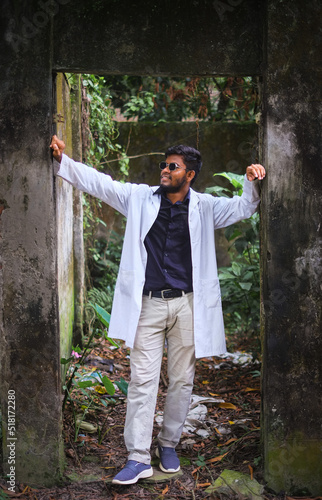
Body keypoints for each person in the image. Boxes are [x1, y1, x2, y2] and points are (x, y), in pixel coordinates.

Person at [50, 135, 265, 485]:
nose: (164, 170)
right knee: (142, 380)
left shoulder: (206, 207)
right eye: (164, 165)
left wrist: (251, 182)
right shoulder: (139, 198)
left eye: (173, 166)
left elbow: (243, 207)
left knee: (182, 380)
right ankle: (137, 457)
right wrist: (64, 162)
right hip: (147, 304)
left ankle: (168, 443)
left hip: (187, 304)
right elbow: (101, 184)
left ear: (190, 174)